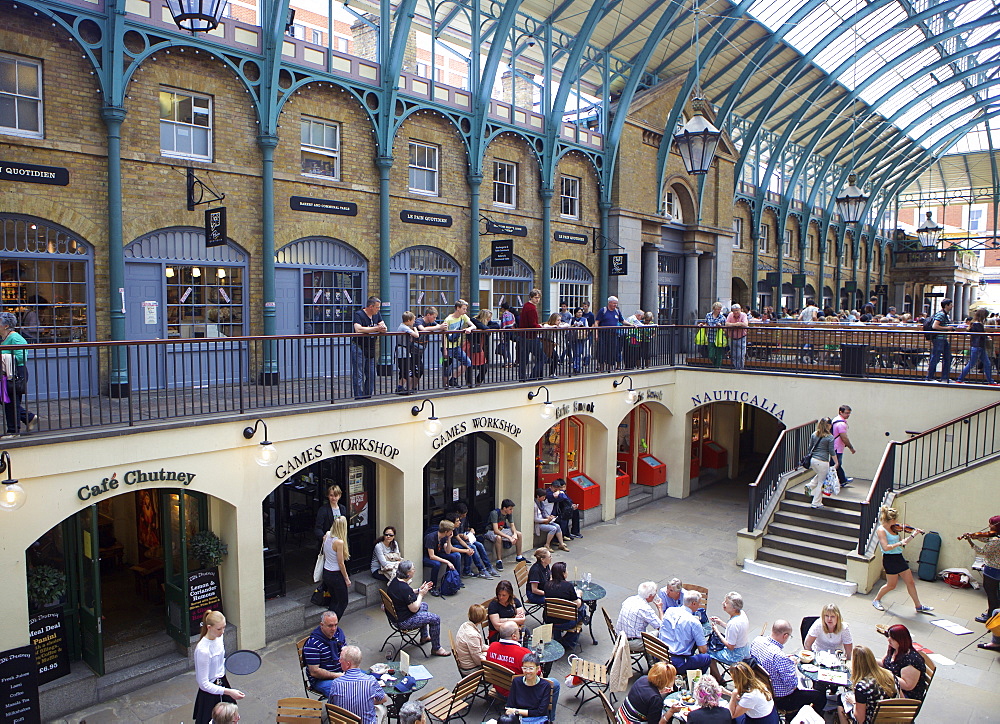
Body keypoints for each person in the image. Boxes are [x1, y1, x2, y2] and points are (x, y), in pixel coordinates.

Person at [749, 620, 825, 715]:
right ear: (785, 635)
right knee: (820, 697)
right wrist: (791, 665)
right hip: (783, 699)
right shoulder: (780, 657)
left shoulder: (757, 641)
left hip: (762, 688)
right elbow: (792, 685)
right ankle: (808, 718)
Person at [871, 505, 933, 613]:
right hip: (889, 559)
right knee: (891, 585)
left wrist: (913, 535)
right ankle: (876, 600)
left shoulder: (894, 529)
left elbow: (902, 544)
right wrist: (899, 543)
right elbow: (885, 547)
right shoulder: (881, 530)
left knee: (911, 582)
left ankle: (918, 606)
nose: (897, 522)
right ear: (892, 520)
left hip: (899, 557)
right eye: (896, 520)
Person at [386, 560, 449, 656]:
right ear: (408, 573)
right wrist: (421, 594)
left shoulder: (396, 581)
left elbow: (408, 592)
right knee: (435, 619)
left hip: (395, 616)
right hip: (403, 621)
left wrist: (419, 590)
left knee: (424, 606)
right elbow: (414, 608)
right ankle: (436, 649)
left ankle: (424, 636)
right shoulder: (404, 588)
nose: (414, 570)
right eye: (412, 569)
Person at [192, 610, 245, 724]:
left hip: (222, 681)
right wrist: (229, 692)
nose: (222, 632)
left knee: (230, 717)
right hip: (210, 692)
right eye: (219, 629)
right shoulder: (203, 650)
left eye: (224, 627)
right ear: (209, 627)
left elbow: (220, 661)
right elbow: (203, 684)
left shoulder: (219, 637)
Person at [836, 645, 896, 724]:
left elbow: (860, 719)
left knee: (840, 699)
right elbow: (902, 700)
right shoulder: (890, 676)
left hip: (871, 720)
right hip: (892, 718)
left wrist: (854, 702)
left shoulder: (862, 686)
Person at [329, 645, 389, 724]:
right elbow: (383, 699)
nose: (339, 661)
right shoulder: (370, 681)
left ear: (348, 664)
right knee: (382, 709)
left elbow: (332, 706)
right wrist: (368, 701)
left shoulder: (336, 683)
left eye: (341, 659)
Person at [657, 589, 710, 674]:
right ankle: (695, 681)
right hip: (677, 663)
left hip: (661, 654)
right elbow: (703, 649)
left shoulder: (670, 610)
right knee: (706, 658)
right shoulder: (694, 622)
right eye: (699, 603)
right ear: (694, 603)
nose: (700, 605)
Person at [0, 311, 35, 438]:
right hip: (8, 373)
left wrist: (3, 356)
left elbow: (22, 357)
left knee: (11, 401)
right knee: (7, 400)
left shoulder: (15, 338)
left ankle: (14, 431)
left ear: (5, 326)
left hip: (16, 373)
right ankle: (28, 417)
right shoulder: (6, 338)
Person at [617, 661, 682, 724]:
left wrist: (661, 690)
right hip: (631, 721)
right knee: (667, 715)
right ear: (666, 681)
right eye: (673, 677)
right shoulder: (655, 699)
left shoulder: (643, 679)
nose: (675, 678)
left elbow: (647, 695)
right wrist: (671, 711)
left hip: (622, 716)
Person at [962, 515, 1000, 622]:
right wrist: (974, 536)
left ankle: (991, 615)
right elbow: (988, 538)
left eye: (991, 524)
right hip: (997, 569)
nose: (989, 525)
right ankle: (994, 612)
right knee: (995, 593)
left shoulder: (996, 541)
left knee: (991, 593)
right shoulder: (996, 537)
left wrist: (970, 541)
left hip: (992, 570)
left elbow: (982, 551)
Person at [449, 501, 499, 578]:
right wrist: (466, 544)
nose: (462, 518)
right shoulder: (453, 521)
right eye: (463, 515)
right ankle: (481, 569)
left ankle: (488, 566)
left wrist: (470, 530)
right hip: (456, 541)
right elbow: (455, 537)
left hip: (464, 538)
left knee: (479, 545)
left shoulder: (464, 519)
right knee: (473, 547)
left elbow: (465, 529)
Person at [708, 591, 749, 680]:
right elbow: (734, 631)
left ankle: (718, 678)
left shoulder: (733, 623)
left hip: (735, 655)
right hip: (744, 650)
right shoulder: (742, 614)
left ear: (734, 608)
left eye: (726, 603)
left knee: (708, 652)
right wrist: (721, 623)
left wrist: (717, 632)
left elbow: (730, 646)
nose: (723, 603)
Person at [303, 610, 346, 697]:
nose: (334, 629)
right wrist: (336, 675)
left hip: (341, 672)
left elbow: (346, 654)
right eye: (330, 626)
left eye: (336, 625)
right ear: (322, 625)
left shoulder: (338, 634)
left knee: (369, 678)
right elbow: (314, 672)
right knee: (344, 692)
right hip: (321, 680)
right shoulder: (312, 644)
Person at [879, 624, 927, 701]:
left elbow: (907, 686)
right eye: (888, 636)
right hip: (892, 687)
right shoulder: (894, 648)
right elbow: (883, 663)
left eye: (892, 638)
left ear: (900, 640)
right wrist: (868, 660)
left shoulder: (911, 660)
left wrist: (885, 674)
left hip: (906, 698)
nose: (889, 639)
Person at [543, 561, 584, 649]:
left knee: (557, 615)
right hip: (566, 622)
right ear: (563, 573)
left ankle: (557, 638)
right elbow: (577, 604)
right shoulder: (568, 586)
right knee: (583, 609)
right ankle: (568, 641)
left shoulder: (547, 585)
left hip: (549, 619)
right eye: (566, 571)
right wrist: (579, 596)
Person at [351, 296, 386, 399]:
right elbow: (358, 329)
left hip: (371, 347)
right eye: (377, 307)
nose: (378, 309)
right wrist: (375, 328)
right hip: (359, 346)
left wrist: (376, 329)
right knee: (359, 373)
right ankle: (358, 396)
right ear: (371, 307)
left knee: (371, 374)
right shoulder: (359, 314)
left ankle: (367, 395)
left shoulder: (377, 315)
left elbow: (384, 327)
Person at [505, 653, 555, 724]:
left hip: (537, 719)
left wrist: (517, 711)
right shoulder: (516, 682)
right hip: (519, 719)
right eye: (525, 668)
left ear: (537, 669)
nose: (527, 671)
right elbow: (510, 705)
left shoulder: (545, 686)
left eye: (531, 668)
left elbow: (541, 712)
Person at [616, 581, 663, 653]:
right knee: (660, 635)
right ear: (650, 596)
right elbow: (661, 627)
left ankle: (650, 658)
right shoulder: (645, 608)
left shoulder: (630, 599)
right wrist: (660, 608)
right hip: (631, 643)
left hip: (620, 636)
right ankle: (655, 660)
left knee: (648, 633)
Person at [487, 621, 530, 697]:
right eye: (518, 631)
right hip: (518, 692)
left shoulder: (492, 647)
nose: (519, 632)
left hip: (499, 687)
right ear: (514, 636)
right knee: (555, 684)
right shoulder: (524, 653)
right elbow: (536, 674)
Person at [322, 516, 352, 618]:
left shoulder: (327, 534)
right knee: (343, 601)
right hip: (335, 574)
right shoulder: (339, 542)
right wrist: (346, 578)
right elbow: (341, 563)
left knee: (334, 599)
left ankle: (327, 620)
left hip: (326, 571)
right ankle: (332, 623)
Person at [957, 308, 995, 385]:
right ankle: (960, 379)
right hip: (979, 346)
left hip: (976, 346)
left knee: (984, 363)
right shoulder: (979, 324)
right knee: (973, 363)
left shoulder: (974, 324)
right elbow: (982, 335)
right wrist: (987, 336)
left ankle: (990, 381)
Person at [442, 300, 476, 388]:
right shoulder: (448, 319)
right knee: (447, 368)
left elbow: (473, 325)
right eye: (464, 309)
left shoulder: (463, 317)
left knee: (467, 362)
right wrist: (445, 349)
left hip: (456, 346)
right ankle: (445, 386)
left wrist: (469, 329)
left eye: (466, 309)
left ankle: (453, 379)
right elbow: (443, 335)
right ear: (458, 308)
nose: (465, 311)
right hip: (448, 347)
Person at [484, 498, 525, 571]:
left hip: (501, 529)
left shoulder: (509, 513)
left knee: (519, 534)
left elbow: (512, 525)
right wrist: (509, 537)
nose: (511, 511)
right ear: (504, 508)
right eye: (510, 509)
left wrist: (514, 534)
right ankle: (499, 561)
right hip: (491, 531)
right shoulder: (495, 513)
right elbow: (496, 530)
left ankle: (519, 556)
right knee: (498, 538)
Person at [805, 417, 837, 508]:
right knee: (821, 482)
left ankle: (810, 486)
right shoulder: (830, 437)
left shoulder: (814, 434)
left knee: (820, 475)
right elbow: (831, 451)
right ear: (829, 426)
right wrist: (836, 462)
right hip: (822, 461)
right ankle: (816, 503)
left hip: (813, 460)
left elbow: (809, 447)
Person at [423, 519, 462, 591]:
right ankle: (433, 587)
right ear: (446, 531)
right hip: (427, 556)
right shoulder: (431, 537)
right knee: (436, 564)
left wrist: (449, 539)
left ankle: (452, 579)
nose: (452, 533)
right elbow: (432, 556)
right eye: (451, 531)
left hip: (438, 553)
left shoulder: (444, 537)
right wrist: (447, 562)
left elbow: (447, 551)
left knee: (455, 555)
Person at [412, 307, 446, 384]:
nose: (434, 319)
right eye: (433, 317)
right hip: (412, 349)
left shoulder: (431, 322)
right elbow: (422, 329)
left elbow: (439, 327)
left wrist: (442, 327)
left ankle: (412, 388)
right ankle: (409, 388)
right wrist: (438, 327)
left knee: (418, 371)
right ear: (428, 315)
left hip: (420, 349)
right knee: (416, 370)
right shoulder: (419, 321)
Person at [454, 603, 489, 675]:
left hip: (466, 661)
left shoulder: (465, 625)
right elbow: (478, 660)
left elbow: (479, 646)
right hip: (471, 669)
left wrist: (491, 649)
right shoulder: (472, 636)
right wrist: (490, 654)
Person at [518, 289, 544, 382]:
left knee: (523, 359)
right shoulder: (531, 308)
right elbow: (533, 324)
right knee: (542, 357)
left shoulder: (525, 306)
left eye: (538, 298)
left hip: (523, 336)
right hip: (530, 336)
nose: (537, 300)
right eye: (536, 297)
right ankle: (534, 376)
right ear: (531, 297)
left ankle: (522, 378)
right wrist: (541, 326)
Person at [925, 298, 953, 382]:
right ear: (946, 306)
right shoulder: (941, 315)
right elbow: (935, 326)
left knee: (948, 357)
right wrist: (947, 328)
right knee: (936, 358)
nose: (952, 306)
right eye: (951, 304)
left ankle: (944, 377)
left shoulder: (943, 314)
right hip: (939, 339)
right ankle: (930, 377)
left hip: (943, 339)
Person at [595, 296, 626, 371]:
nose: (615, 305)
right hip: (603, 334)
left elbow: (622, 320)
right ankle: (601, 367)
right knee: (602, 351)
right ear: (609, 303)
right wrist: (596, 334)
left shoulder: (617, 311)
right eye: (614, 303)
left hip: (613, 334)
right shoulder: (603, 310)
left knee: (612, 351)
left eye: (616, 303)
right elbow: (596, 322)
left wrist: (631, 325)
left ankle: (610, 367)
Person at [464, 309, 492, 387]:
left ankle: (478, 381)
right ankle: (469, 382)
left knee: (484, 366)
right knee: (469, 364)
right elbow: (482, 327)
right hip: (471, 344)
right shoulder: (473, 320)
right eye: (488, 317)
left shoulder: (485, 323)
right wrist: (485, 328)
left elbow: (496, 325)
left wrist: (486, 327)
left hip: (480, 346)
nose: (489, 319)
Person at [395, 311, 421, 394]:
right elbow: (416, 335)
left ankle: (401, 387)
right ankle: (400, 387)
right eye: (413, 320)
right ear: (409, 320)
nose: (414, 322)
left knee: (405, 370)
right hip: (402, 352)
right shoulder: (404, 327)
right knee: (406, 370)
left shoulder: (403, 327)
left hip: (405, 351)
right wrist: (416, 329)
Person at [831, 405, 856, 488]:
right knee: (836, 465)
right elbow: (844, 437)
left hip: (835, 446)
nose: (848, 415)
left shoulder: (836, 420)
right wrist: (851, 447)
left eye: (849, 413)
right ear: (840, 412)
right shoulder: (841, 424)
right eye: (846, 413)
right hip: (837, 448)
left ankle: (842, 480)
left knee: (836, 464)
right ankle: (840, 481)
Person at [701, 302, 728, 368]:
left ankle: (717, 367)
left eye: (720, 309)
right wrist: (702, 325)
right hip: (710, 337)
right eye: (717, 309)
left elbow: (726, 329)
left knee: (719, 354)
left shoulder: (722, 318)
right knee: (711, 354)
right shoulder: (708, 315)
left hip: (719, 338)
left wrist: (720, 326)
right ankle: (715, 364)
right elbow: (706, 324)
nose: (719, 311)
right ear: (714, 309)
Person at [725, 303, 749, 370]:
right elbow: (726, 324)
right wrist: (737, 324)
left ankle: (740, 368)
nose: (736, 312)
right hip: (732, 338)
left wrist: (734, 325)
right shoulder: (730, 315)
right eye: (734, 310)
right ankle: (736, 368)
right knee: (733, 355)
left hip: (741, 337)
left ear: (740, 310)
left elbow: (745, 324)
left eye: (737, 310)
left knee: (741, 355)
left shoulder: (743, 315)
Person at [568, 307, 590, 372]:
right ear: (575, 313)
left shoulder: (584, 319)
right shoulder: (572, 319)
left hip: (581, 338)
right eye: (578, 312)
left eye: (581, 312)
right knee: (575, 352)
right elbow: (569, 327)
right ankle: (575, 365)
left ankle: (577, 366)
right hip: (573, 338)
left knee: (579, 352)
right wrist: (574, 325)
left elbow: (587, 327)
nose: (580, 313)